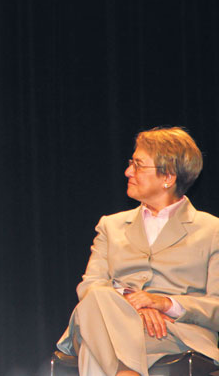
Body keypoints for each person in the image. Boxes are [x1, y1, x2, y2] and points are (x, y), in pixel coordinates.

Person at [57, 127, 219, 376]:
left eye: (138, 165)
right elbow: (90, 286)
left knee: (95, 343)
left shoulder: (212, 230)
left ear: (168, 177)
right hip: (106, 320)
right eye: (131, 163)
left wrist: (165, 303)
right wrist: (132, 306)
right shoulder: (111, 225)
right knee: (98, 298)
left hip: (171, 333)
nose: (128, 172)